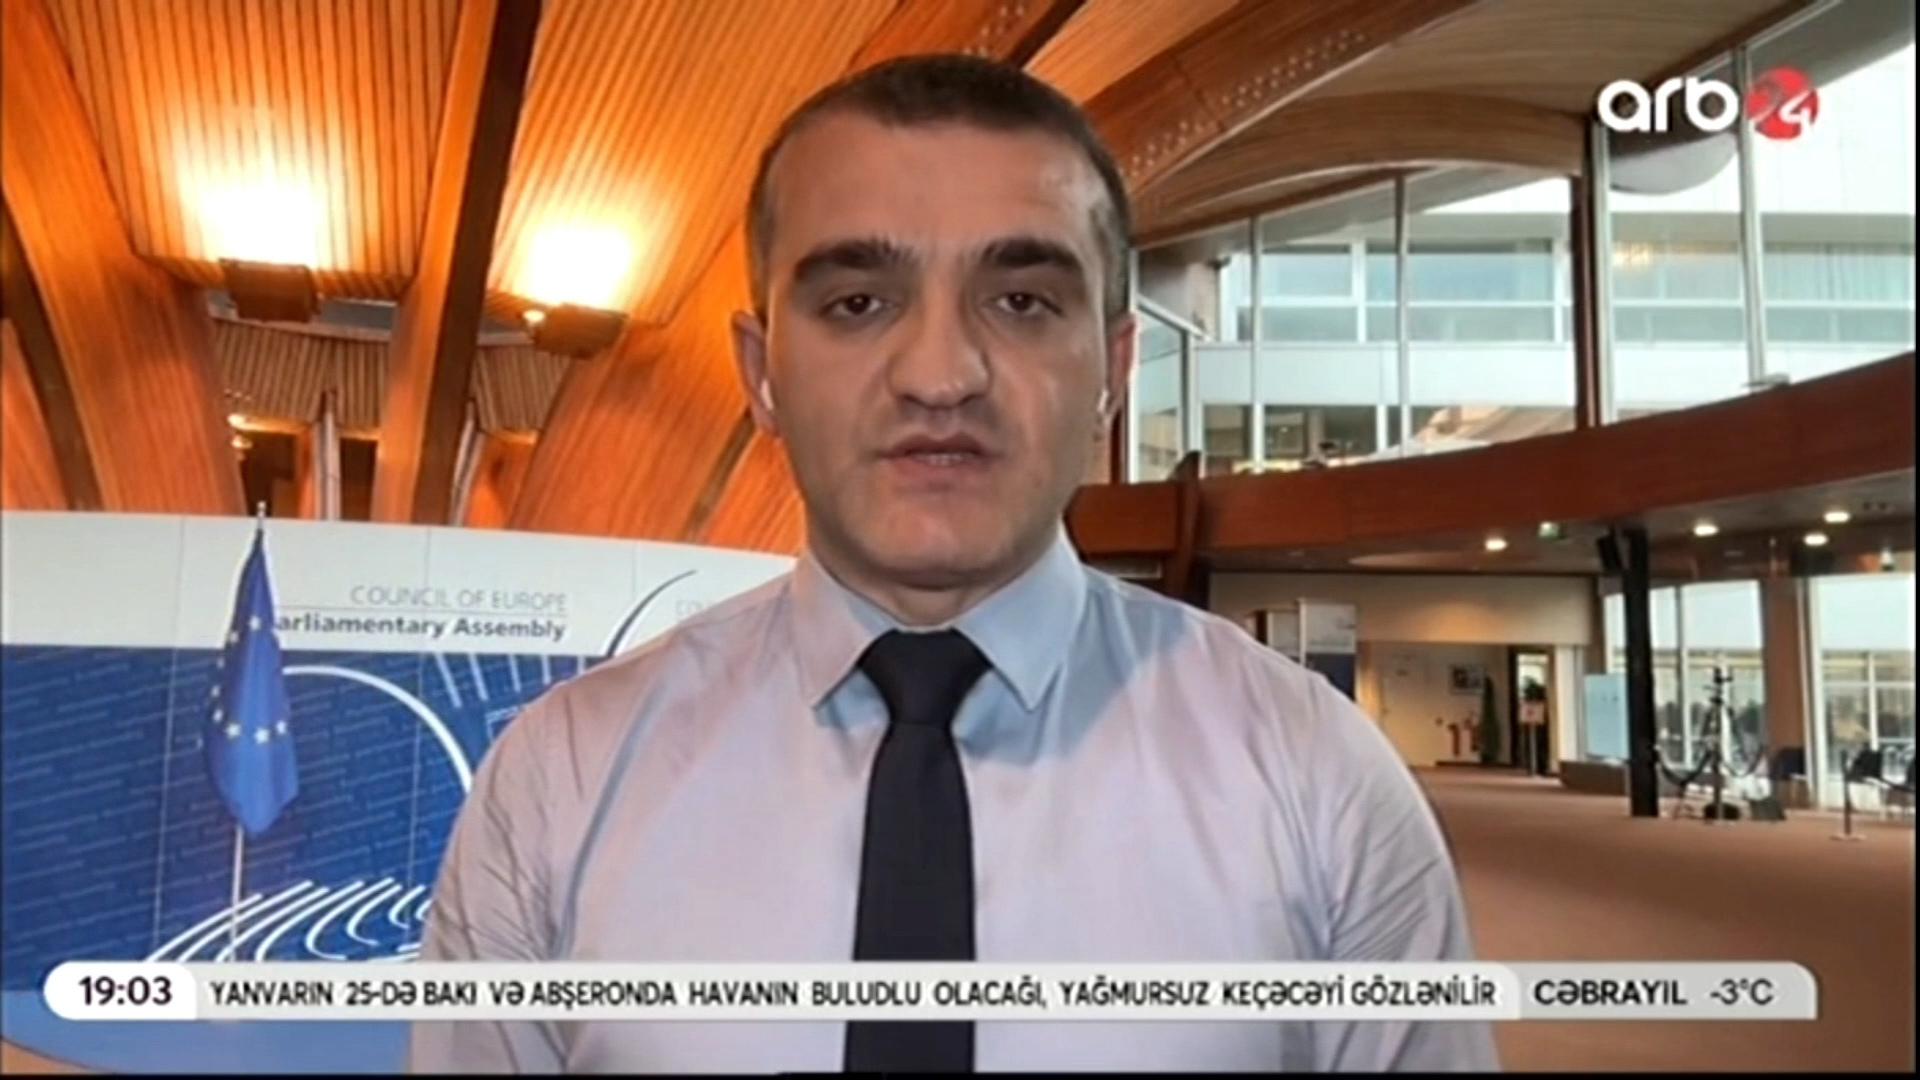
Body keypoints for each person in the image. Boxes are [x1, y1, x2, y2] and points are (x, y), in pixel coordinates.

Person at [410, 53, 1500, 1074]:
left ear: (1113, 367)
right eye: (858, 303)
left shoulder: (1317, 779)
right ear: (762, 372)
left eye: (1021, 301)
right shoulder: (561, 779)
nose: (940, 374)